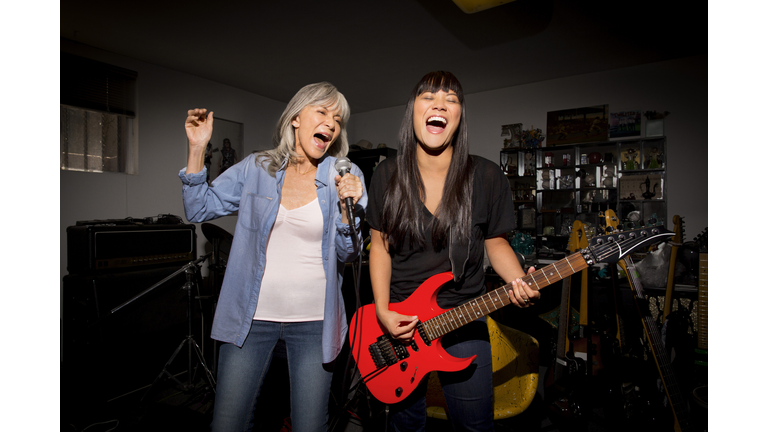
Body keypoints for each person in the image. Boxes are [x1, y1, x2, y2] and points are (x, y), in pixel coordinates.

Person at [179, 82, 367, 432]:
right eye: (322, 112)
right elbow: (198, 207)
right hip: (250, 322)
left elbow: (349, 253)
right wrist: (197, 148)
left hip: (314, 324)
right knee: (228, 424)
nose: (331, 124)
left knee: (310, 426)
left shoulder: (344, 175)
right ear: (296, 118)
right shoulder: (257, 168)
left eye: (338, 119)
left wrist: (348, 210)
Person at [366, 71, 540, 432]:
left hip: (464, 316)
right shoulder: (387, 174)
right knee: (405, 426)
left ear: (459, 117)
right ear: (412, 110)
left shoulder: (487, 176)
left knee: (474, 426)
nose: (439, 104)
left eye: (452, 99)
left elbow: (495, 241)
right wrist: (382, 311)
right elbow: (380, 247)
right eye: (428, 97)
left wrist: (518, 281)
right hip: (401, 324)